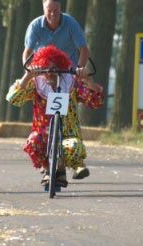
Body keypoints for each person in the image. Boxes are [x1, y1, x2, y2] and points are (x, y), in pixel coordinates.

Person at [7, 45, 104, 189]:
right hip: (43, 135)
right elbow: (14, 98)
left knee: (74, 146)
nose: (50, 75)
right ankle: (47, 168)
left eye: (55, 71)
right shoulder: (36, 84)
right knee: (34, 141)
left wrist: (89, 81)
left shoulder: (72, 83)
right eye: (46, 70)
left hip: (68, 135)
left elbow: (95, 102)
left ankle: (71, 166)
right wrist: (27, 76)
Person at [23, 0, 90, 74]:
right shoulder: (35, 26)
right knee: (21, 86)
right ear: (44, 10)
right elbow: (28, 51)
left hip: (68, 72)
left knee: (88, 84)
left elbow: (84, 50)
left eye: (56, 10)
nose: (52, 14)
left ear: (60, 9)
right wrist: (29, 69)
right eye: (49, 10)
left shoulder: (71, 24)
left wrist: (78, 70)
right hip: (42, 72)